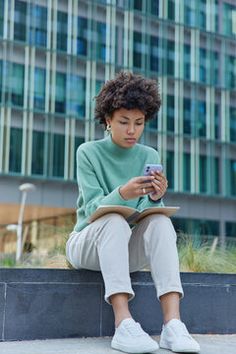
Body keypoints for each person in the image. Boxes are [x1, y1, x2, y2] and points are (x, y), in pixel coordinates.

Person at [66, 72, 200, 354]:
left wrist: (156, 197)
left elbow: (147, 218)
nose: (132, 131)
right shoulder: (87, 152)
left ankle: (173, 324)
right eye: (124, 122)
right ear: (107, 120)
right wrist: (123, 193)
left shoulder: (149, 155)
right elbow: (92, 209)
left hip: (125, 249)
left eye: (138, 123)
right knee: (113, 220)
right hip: (85, 244)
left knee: (161, 223)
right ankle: (123, 323)